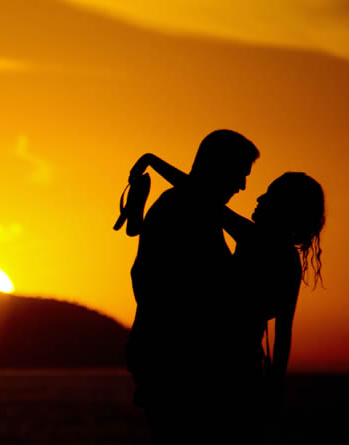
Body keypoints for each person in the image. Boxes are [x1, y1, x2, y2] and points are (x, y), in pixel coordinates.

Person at [127, 153, 325, 444]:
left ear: (284, 208)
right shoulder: (287, 259)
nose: (257, 197)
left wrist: (151, 161)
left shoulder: (253, 238)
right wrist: (275, 386)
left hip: (220, 371)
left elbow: (197, 192)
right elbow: (283, 333)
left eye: (269, 195)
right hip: (244, 371)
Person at [124, 129, 259, 444]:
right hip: (181, 370)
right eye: (239, 174)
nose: (241, 186)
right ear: (217, 167)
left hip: (170, 364)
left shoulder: (191, 209)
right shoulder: (184, 211)